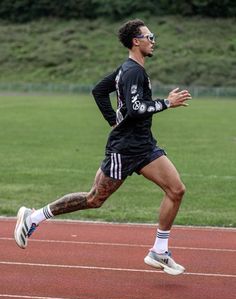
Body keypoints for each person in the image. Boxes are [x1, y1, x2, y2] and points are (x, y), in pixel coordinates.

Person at [14, 19, 192, 276]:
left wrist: (113, 121)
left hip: (143, 146)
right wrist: (167, 103)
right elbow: (136, 109)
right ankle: (33, 218)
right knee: (94, 199)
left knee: (176, 190)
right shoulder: (132, 71)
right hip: (124, 149)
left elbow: (99, 91)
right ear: (136, 41)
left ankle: (159, 251)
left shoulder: (128, 69)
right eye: (149, 36)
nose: (153, 40)